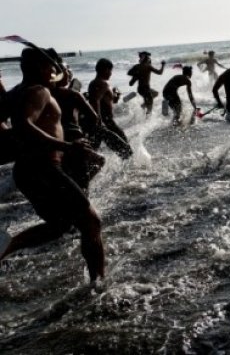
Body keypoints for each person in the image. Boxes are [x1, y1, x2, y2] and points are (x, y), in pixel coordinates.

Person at [0, 48, 105, 283]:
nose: (54, 72)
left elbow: (12, 123)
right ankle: (98, 285)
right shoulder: (39, 91)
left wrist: (11, 141)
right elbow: (26, 125)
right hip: (44, 169)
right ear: (39, 68)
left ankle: (8, 248)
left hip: (27, 171)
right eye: (51, 67)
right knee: (91, 222)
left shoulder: (15, 93)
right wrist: (68, 146)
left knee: (60, 225)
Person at [51, 59, 105, 191]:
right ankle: (78, 191)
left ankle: (71, 190)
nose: (69, 72)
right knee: (99, 161)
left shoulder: (47, 94)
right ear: (59, 75)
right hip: (75, 140)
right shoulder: (73, 94)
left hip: (57, 142)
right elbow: (94, 118)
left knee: (65, 172)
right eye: (66, 70)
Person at [88, 58, 133, 159]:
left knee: (93, 149)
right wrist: (99, 121)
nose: (111, 73)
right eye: (110, 70)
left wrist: (115, 95)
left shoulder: (94, 83)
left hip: (101, 123)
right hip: (106, 122)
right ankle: (128, 172)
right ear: (105, 70)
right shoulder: (103, 83)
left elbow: (108, 101)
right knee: (126, 150)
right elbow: (96, 101)